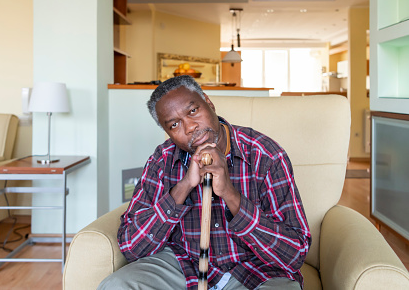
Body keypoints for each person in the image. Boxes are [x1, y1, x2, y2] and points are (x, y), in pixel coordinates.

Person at [98, 75, 311, 290]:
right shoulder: (161, 160)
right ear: (167, 133)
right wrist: (184, 186)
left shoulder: (265, 155)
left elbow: (294, 255)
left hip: (255, 268)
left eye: (193, 111)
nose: (190, 127)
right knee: (116, 285)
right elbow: (131, 247)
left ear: (208, 102)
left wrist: (230, 194)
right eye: (174, 124)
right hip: (183, 262)